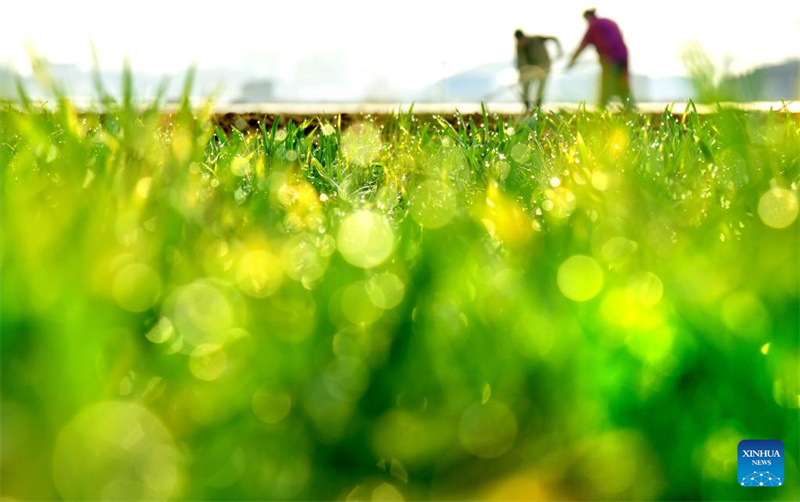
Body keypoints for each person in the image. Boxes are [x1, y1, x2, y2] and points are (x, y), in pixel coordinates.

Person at [567, 9, 632, 107]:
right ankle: (629, 107)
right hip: (623, 55)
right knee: (622, 81)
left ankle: (603, 107)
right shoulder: (609, 22)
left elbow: (582, 46)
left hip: (611, 59)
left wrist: (571, 61)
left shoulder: (593, 27)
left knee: (607, 84)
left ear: (588, 17)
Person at [515, 29, 562, 110]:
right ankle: (526, 106)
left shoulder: (537, 39)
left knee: (541, 87)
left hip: (544, 67)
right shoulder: (519, 47)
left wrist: (559, 51)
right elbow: (521, 62)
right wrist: (522, 74)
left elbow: (554, 39)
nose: (522, 43)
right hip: (530, 70)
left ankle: (538, 105)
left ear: (524, 37)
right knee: (525, 85)